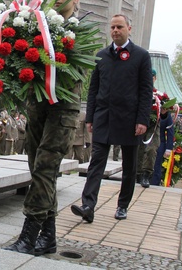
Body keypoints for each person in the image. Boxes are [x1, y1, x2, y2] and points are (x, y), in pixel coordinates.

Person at [4, 0, 87, 256]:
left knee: (45, 168)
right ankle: (48, 237)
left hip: (63, 108)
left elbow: (77, 73)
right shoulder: (36, 25)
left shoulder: (80, 32)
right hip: (38, 105)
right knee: (37, 169)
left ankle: (28, 236)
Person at [71, 12, 152, 225]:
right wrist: (90, 117)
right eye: (113, 27)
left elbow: (146, 91)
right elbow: (93, 89)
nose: (115, 31)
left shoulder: (141, 56)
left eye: (119, 27)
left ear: (129, 29)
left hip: (129, 119)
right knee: (96, 162)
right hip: (104, 117)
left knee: (129, 166)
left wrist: (142, 120)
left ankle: (122, 205)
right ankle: (88, 206)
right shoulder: (102, 55)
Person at [150, 104, 175, 186]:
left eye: (164, 108)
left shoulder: (167, 117)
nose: (162, 110)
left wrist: (168, 149)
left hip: (161, 142)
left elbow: (170, 133)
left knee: (157, 163)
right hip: (148, 140)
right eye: (161, 108)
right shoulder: (152, 113)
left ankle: (155, 182)